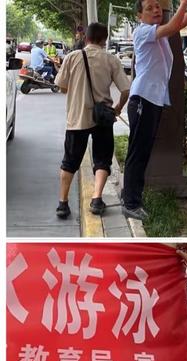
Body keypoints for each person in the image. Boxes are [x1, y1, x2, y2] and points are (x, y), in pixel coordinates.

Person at [121, 0, 187, 220]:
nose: (156, 10)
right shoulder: (143, 32)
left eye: (157, 6)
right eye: (149, 8)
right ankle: (131, 203)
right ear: (139, 16)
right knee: (138, 153)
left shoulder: (157, 34)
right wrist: (186, 2)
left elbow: (178, 25)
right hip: (143, 100)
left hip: (152, 100)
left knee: (142, 151)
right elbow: (173, 26)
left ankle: (131, 197)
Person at [54, 22, 130, 219]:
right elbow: (125, 90)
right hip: (103, 117)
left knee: (69, 161)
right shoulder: (111, 59)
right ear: (104, 40)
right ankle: (96, 199)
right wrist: (118, 108)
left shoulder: (72, 57)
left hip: (76, 118)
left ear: (85, 37)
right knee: (102, 158)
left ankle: (62, 204)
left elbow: (61, 87)